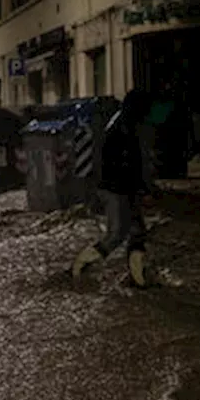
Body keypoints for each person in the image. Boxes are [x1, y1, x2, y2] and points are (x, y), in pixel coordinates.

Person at [72, 88, 157, 288]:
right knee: (117, 233)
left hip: (123, 187)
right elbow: (131, 163)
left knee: (137, 231)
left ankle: (138, 277)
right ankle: (80, 265)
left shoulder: (124, 123)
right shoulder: (125, 127)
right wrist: (144, 189)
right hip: (117, 188)